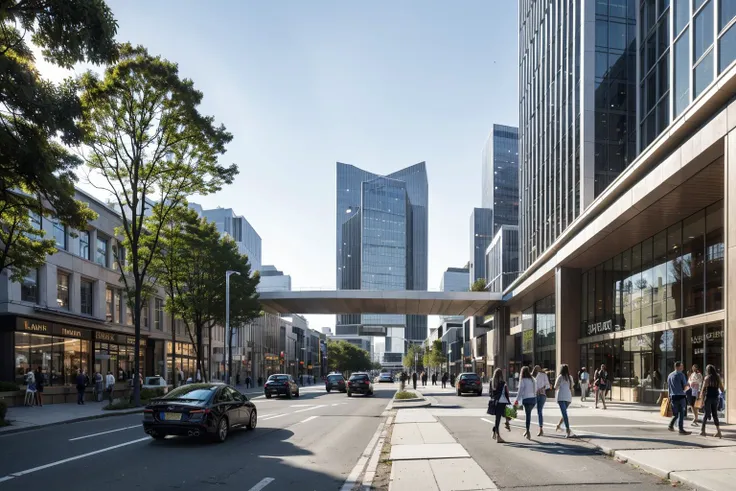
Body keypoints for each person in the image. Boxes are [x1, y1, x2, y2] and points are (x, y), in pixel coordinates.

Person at [698, 364, 723, 438]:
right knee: (715, 414)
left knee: (706, 414)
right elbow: (722, 388)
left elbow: (703, 390)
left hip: (708, 397)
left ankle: (703, 431)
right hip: (716, 397)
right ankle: (719, 432)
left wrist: (701, 400)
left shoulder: (707, 378)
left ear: (707, 371)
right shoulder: (718, 377)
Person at [667, 361, 691, 435]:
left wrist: (669, 396)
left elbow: (669, 387)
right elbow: (685, 386)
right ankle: (681, 429)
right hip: (681, 396)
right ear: (677, 367)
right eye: (681, 366)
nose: (683, 368)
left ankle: (671, 425)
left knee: (675, 414)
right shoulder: (681, 375)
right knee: (681, 413)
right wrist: (688, 387)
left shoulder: (670, 375)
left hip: (673, 396)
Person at [513, 366, 537, 440]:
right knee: (528, 415)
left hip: (526, 399)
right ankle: (526, 431)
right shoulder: (533, 379)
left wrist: (516, 401)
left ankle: (528, 431)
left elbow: (520, 392)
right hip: (533, 400)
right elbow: (535, 389)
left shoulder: (523, 380)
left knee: (527, 416)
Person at [489, 368, 510, 443]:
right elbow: (507, 393)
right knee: (507, 415)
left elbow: (490, 393)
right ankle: (498, 436)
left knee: (498, 419)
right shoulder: (503, 382)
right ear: (501, 374)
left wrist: (494, 399)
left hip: (496, 402)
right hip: (503, 402)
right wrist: (509, 401)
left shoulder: (491, 382)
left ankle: (495, 432)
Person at [554, 364, 575, 438]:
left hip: (561, 397)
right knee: (564, 413)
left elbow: (555, 386)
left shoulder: (560, 377)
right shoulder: (570, 377)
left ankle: (567, 430)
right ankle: (559, 426)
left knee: (564, 414)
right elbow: (572, 386)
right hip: (568, 397)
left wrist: (560, 386)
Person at [533, 365, 550, 436]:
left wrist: (542, 388)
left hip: (541, 394)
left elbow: (548, 385)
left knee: (539, 411)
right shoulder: (532, 376)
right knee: (537, 411)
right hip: (536, 395)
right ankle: (539, 429)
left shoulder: (543, 375)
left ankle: (540, 429)